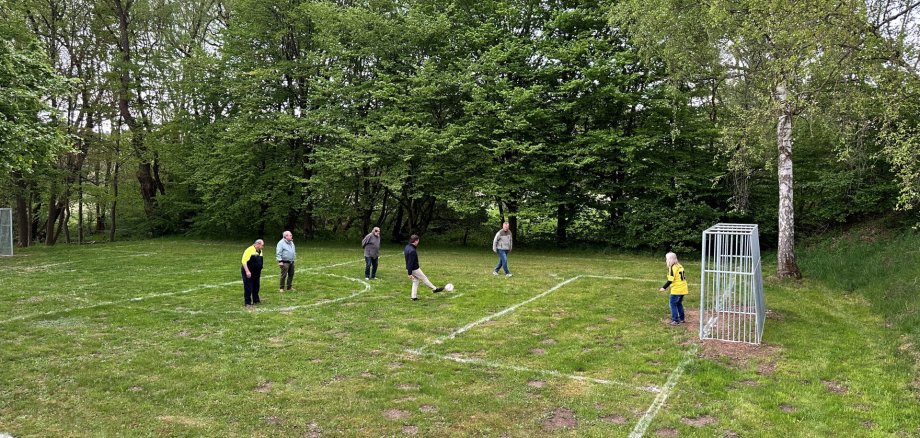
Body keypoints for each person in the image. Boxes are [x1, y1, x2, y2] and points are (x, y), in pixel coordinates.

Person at [404, 234, 444, 301]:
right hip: (414, 269)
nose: (418, 242)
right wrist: (409, 273)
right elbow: (410, 262)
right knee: (424, 278)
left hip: (409, 268)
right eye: (418, 241)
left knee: (415, 281)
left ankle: (413, 297)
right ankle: (435, 289)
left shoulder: (407, 247)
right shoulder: (412, 251)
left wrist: (409, 271)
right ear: (416, 241)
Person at [659, 252, 688, 325]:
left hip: (677, 290)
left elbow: (670, 280)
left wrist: (664, 287)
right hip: (683, 288)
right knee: (678, 303)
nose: (666, 260)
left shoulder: (672, 268)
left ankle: (675, 320)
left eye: (667, 259)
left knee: (672, 304)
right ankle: (682, 318)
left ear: (670, 260)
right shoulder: (679, 266)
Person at [241, 239, 265, 306]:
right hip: (249, 271)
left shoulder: (260, 251)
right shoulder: (249, 250)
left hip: (256, 272)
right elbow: (244, 261)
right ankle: (247, 302)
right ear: (258, 244)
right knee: (248, 287)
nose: (263, 247)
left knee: (256, 286)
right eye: (262, 245)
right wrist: (247, 271)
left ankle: (256, 300)